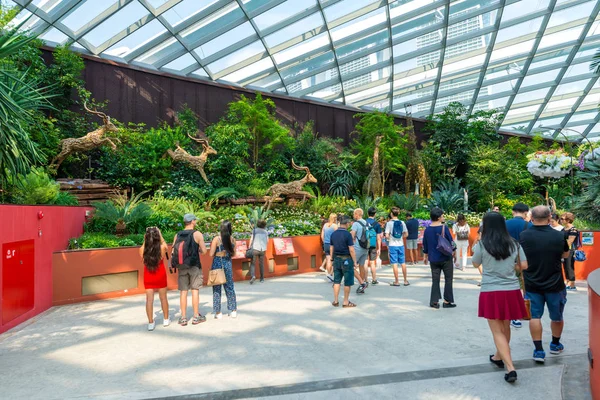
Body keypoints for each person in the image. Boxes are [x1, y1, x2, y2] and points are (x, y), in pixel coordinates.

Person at [472, 212, 528, 383]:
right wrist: (510, 270)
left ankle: (510, 367)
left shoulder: (482, 245)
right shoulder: (514, 244)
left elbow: (475, 263)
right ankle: (498, 356)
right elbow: (524, 265)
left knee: (497, 331)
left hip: (491, 291)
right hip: (511, 290)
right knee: (506, 327)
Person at [520, 206, 570, 363]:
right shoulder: (559, 235)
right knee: (557, 317)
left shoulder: (524, 235)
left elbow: (519, 257)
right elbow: (566, 254)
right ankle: (555, 345)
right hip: (555, 284)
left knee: (535, 316)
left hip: (532, 283)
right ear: (550, 218)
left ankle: (539, 350)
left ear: (531, 218)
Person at [172, 213, 207, 326]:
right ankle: (196, 317)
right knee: (195, 290)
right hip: (194, 266)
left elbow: (173, 251)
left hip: (182, 266)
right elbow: (204, 251)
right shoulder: (197, 234)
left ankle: (183, 318)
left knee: (183, 291)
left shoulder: (177, 235)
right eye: (195, 220)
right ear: (192, 221)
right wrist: (199, 251)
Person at [505, 203, 531, 329]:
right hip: (525, 260)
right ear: (526, 213)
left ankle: (510, 314)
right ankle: (522, 311)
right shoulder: (529, 225)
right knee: (523, 286)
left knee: (509, 286)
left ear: (512, 212)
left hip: (507, 259)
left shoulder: (505, 224)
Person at [422, 207, 456, 309]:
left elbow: (425, 244)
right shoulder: (444, 228)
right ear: (438, 217)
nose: (443, 217)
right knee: (448, 279)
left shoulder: (427, 230)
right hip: (445, 257)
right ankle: (447, 301)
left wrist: (425, 256)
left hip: (433, 259)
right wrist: (454, 252)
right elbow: (451, 241)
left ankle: (434, 302)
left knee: (435, 280)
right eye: (442, 216)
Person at [140, 227, 170, 331]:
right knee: (163, 298)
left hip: (148, 276)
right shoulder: (161, 248)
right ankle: (166, 319)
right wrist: (160, 235)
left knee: (149, 300)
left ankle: (151, 322)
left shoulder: (142, 249)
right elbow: (166, 246)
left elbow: (142, 251)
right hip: (160, 274)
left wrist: (145, 239)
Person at [209, 220, 238, 319]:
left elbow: (211, 254)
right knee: (230, 287)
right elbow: (234, 254)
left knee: (217, 288)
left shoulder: (216, 239)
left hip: (217, 263)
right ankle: (233, 310)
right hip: (228, 264)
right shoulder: (233, 239)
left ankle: (218, 312)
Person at [330, 215, 359, 308]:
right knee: (347, 281)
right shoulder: (347, 234)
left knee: (337, 281)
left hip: (336, 259)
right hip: (346, 259)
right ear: (346, 224)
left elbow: (331, 247)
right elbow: (351, 249)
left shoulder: (333, 234)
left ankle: (335, 300)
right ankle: (345, 301)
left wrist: (331, 259)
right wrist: (354, 261)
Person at [384, 207, 409, 286]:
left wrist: (391, 238)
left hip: (392, 245)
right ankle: (405, 280)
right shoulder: (402, 222)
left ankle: (397, 281)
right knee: (403, 262)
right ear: (398, 214)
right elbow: (406, 234)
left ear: (391, 214)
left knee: (394, 263)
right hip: (401, 244)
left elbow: (387, 235)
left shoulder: (389, 223)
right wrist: (400, 237)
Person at [351, 208, 369, 293]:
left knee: (350, 266)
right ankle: (361, 286)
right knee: (361, 266)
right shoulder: (366, 223)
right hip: (366, 248)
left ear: (357, 214)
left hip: (358, 247)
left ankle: (362, 284)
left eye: (354, 214)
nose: (353, 216)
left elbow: (352, 235)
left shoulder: (356, 224)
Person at [560, 212, 579, 290]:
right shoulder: (563, 229)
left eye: (562, 219)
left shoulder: (573, 229)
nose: (561, 220)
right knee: (565, 266)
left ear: (568, 220)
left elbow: (570, 241)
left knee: (569, 266)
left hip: (570, 250)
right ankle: (567, 281)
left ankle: (572, 284)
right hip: (564, 249)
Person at [365, 207, 382, 284]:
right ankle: (374, 279)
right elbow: (378, 238)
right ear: (375, 214)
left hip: (364, 245)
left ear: (368, 213)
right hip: (373, 245)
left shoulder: (364, 222)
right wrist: (379, 248)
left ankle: (365, 280)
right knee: (372, 262)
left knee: (365, 262)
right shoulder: (377, 224)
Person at [320, 213, 338, 282]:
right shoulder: (335, 226)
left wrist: (325, 242)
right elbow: (337, 236)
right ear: (334, 218)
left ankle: (328, 274)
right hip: (332, 245)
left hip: (326, 244)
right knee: (334, 260)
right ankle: (331, 274)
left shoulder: (325, 225)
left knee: (328, 260)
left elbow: (322, 236)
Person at [250, 219, 269, 284]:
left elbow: (251, 239)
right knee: (261, 264)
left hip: (255, 248)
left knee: (253, 263)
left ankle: (253, 276)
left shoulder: (254, 231)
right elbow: (267, 241)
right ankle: (262, 278)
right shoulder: (265, 232)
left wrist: (249, 246)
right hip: (262, 249)